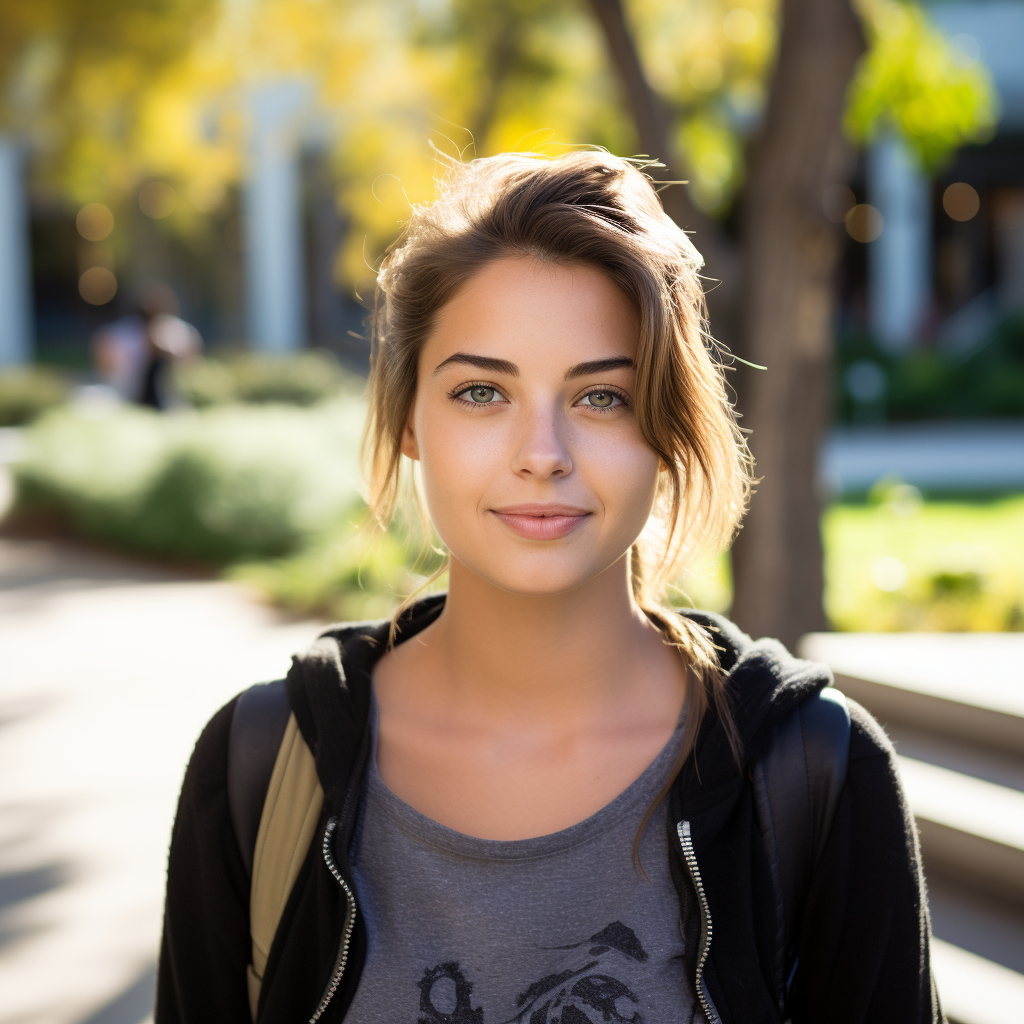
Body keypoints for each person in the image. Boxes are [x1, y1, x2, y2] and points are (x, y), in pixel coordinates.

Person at [156, 152, 941, 1024]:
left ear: (668, 426)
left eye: (602, 396)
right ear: (408, 418)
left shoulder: (819, 776)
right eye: (482, 391)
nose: (543, 453)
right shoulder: (261, 768)